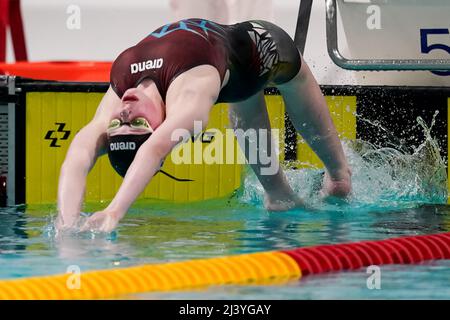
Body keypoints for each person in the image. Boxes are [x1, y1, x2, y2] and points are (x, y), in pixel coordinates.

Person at [56, 18, 352, 233]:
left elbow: (79, 153)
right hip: (255, 57)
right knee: (292, 195)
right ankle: (295, 199)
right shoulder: (189, 102)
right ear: (160, 126)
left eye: (119, 121)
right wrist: (93, 220)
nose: (126, 109)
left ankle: (329, 178)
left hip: (244, 44)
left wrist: (83, 219)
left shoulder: (122, 82)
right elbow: (154, 149)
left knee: (335, 183)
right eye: (137, 122)